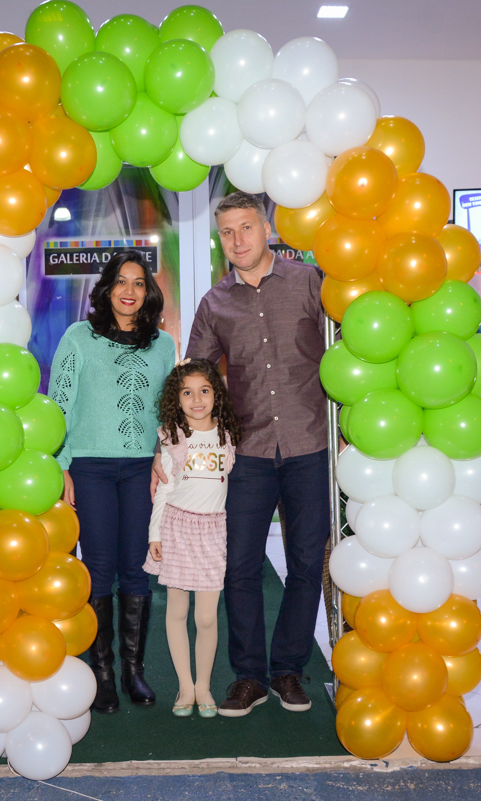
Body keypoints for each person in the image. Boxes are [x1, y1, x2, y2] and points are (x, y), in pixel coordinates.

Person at [170, 191, 330, 717]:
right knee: (239, 565)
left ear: (266, 230)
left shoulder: (311, 283)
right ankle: (248, 676)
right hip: (248, 453)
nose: (236, 240)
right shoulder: (214, 303)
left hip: (311, 446)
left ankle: (288, 670)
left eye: (245, 228)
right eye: (226, 232)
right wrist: (172, 443)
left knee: (307, 563)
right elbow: (193, 377)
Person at [48, 250, 177, 714]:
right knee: (99, 567)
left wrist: (163, 452)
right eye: (121, 281)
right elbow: (58, 403)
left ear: (148, 292)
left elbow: (169, 407)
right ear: (106, 288)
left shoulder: (163, 344)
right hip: (90, 467)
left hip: (142, 468)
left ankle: (133, 670)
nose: (129, 291)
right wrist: (60, 464)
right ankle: (101, 673)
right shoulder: (78, 338)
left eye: (139, 283)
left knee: (137, 568)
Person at [144, 359, 241, 718]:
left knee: (206, 618)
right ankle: (185, 686)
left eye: (204, 391)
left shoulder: (227, 434)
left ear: (217, 394)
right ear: (177, 398)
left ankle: (204, 685)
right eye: (187, 392)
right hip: (177, 528)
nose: (196, 399)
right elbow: (163, 492)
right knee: (176, 611)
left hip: (213, 531)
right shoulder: (172, 436)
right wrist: (156, 533)